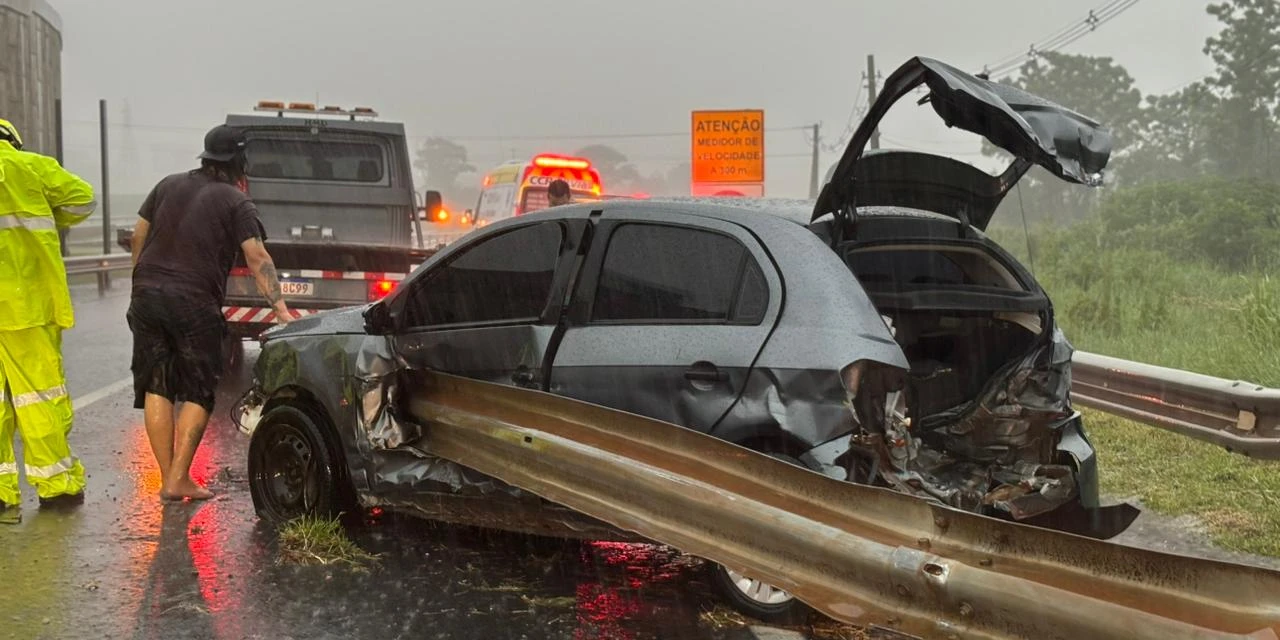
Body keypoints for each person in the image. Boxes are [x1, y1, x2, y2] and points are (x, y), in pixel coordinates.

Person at [128, 124, 289, 501]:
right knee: (199, 389)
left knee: (157, 383)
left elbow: (139, 235)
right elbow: (257, 256)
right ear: (239, 160)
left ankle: (171, 476)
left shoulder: (167, 185)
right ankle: (177, 478)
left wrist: (141, 280)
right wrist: (280, 309)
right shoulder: (236, 201)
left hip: (147, 294)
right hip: (192, 300)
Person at [0, 118, 97, 522]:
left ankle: (2, 491)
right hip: (27, 304)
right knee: (37, 397)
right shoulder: (32, 168)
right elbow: (83, 200)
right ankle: (56, 485)